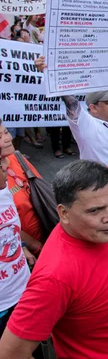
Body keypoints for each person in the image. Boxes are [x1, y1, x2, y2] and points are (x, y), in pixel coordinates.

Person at [0, 161, 108, 359]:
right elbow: (9, 353)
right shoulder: (55, 277)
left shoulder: (100, 230)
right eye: (95, 210)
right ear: (64, 213)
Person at [33, 56, 108, 165]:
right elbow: (69, 100)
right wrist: (47, 71)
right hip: (103, 185)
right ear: (93, 108)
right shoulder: (85, 124)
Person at [0, 144, 36, 346]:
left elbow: (9, 227)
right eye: (0, 162)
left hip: (24, 292)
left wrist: (21, 246)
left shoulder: (3, 189)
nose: (7, 164)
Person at [0, 124, 46, 255]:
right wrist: (34, 246)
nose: (8, 138)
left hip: (46, 232)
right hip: (25, 250)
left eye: (6, 132)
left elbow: (40, 186)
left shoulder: (17, 157)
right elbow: (5, 225)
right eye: (0, 137)